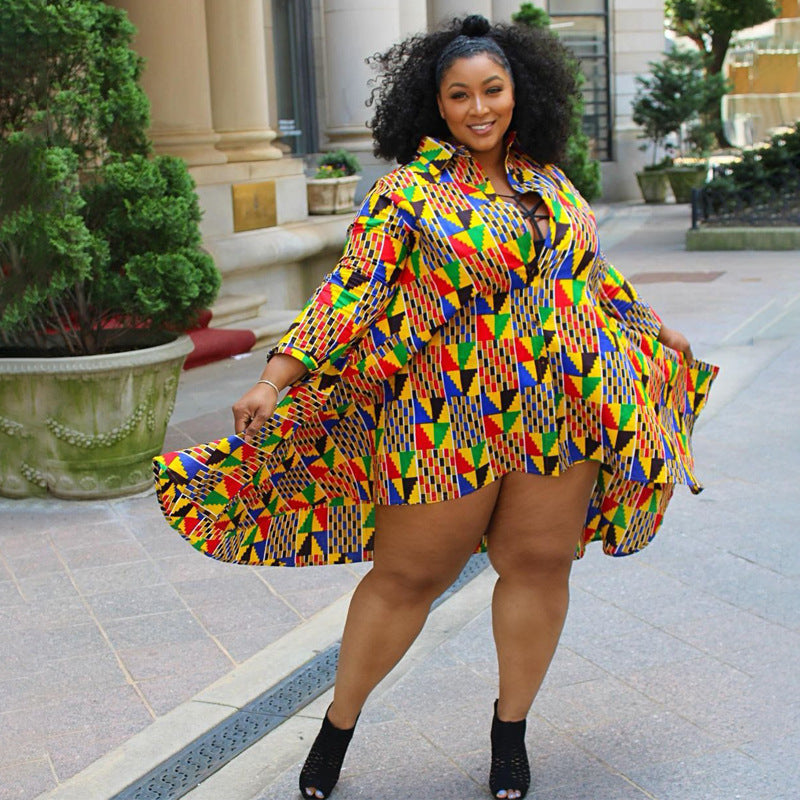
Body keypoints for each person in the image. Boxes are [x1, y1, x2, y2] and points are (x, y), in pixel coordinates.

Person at [154, 14, 717, 800]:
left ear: (519, 93)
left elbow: (584, 276)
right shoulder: (409, 191)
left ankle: (510, 732)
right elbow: (353, 287)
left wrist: (656, 326)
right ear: (437, 104)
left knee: (540, 563)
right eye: (460, 95)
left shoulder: (546, 178)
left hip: (564, 405)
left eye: (493, 89)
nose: (479, 107)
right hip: (445, 410)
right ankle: (337, 727)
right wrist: (275, 378)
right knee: (408, 575)